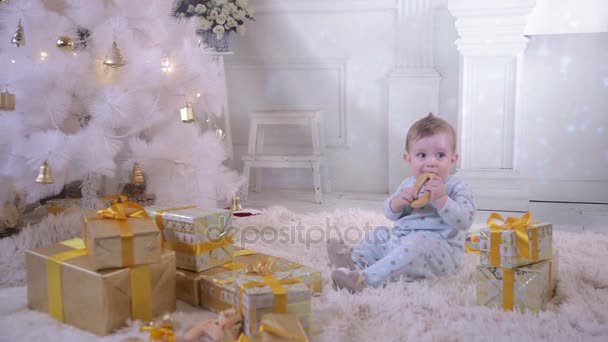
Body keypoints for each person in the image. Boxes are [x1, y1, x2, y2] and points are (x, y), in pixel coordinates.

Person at [328, 113, 476, 292]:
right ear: (409, 159)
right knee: (380, 234)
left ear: (453, 159)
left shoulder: (457, 186)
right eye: (422, 155)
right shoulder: (408, 184)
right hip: (401, 240)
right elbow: (390, 214)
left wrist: (443, 200)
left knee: (417, 244)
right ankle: (352, 260)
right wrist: (398, 202)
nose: (431, 162)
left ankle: (365, 280)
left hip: (440, 251)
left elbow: (465, 221)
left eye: (440, 155)